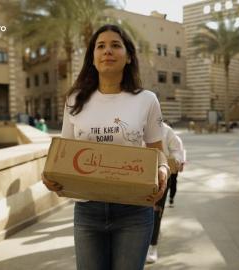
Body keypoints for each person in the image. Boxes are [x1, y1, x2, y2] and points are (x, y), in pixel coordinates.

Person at [41, 24, 169, 270]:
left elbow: (157, 150)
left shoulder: (147, 100)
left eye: (115, 45)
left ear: (129, 56)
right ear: (93, 57)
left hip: (135, 210)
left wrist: (162, 170)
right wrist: (51, 176)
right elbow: (62, 153)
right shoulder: (75, 100)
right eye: (100, 46)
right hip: (88, 210)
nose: (107, 51)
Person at [146, 121, 186, 263]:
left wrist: (176, 160)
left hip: (160, 175)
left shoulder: (165, 130)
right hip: (135, 173)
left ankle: (152, 246)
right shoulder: (130, 123)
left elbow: (177, 149)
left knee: (156, 211)